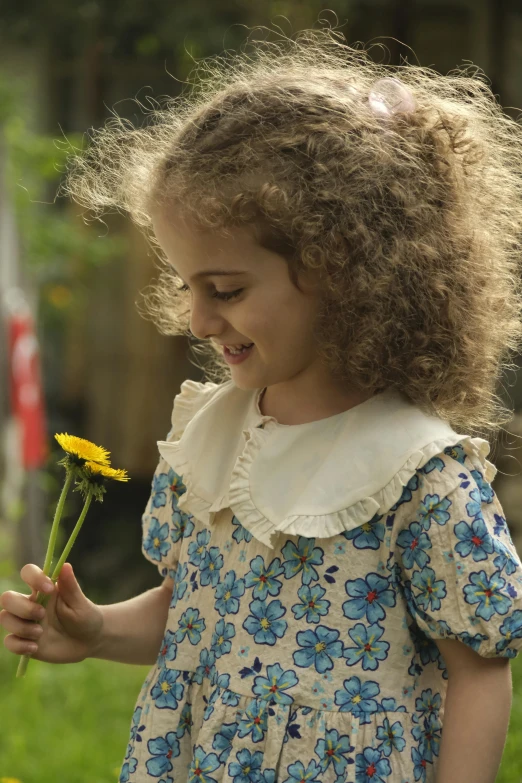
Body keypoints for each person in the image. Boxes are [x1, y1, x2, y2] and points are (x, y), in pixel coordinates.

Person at [2, 27, 522, 783]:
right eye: (189, 287)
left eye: (228, 290)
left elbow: (478, 669)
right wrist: (95, 629)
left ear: (347, 272)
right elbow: (197, 612)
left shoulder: (415, 472)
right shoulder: (218, 436)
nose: (200, 322)